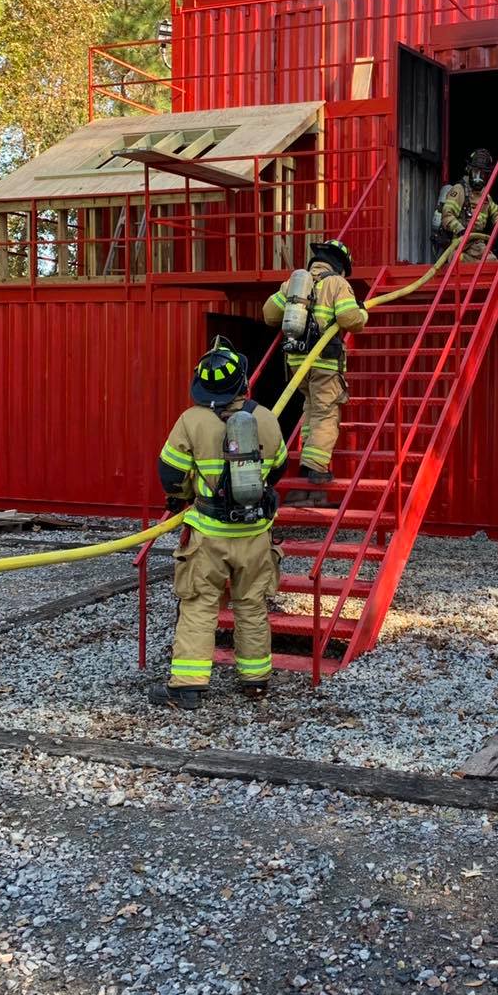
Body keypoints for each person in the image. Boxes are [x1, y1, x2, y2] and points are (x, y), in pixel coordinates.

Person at [150, 338, 288, 711]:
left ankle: (188, 687)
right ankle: (255, 681)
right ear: (242, 381)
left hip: (208, 535)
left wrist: (184, 494)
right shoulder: (266, 418)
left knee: (198, 605)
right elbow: (277, 468)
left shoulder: (190, 421)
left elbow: (171, 475)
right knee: (252, 605)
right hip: (255, 533)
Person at [263, 238, 368, 502]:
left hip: (296, 363)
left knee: (310, 409)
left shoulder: (294, 283)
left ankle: (306, 461)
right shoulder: (337, 283)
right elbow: (349, 319)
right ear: (341, 266)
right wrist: (363, 314)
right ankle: (316, 468)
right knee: (326, 412)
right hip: (324, 362)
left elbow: (269, 314)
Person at [432, 147, 498, 262]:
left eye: (482, 174)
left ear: (487, 176)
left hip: (476, 242)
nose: (478, 178)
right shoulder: (459, 190)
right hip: (459, 241)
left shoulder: (485, 195)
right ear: (469, 170)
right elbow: (447, 215)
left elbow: (496, 212)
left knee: (492, 262)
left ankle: (464, 260)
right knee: (457, 259)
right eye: (475, 172)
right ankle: (456, 258)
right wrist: (460, 230)